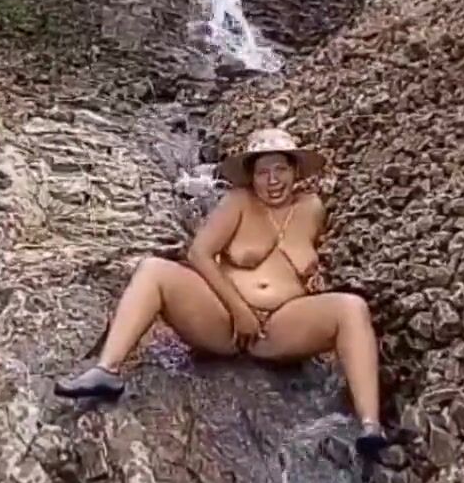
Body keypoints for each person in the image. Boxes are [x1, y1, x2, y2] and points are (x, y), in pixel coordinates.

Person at [54, 127, 387, 460]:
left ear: (295, 171)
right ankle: (107, 370)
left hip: (280, 328)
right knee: (152, 269)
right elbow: (199, 253)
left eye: (281, 169)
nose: (273, 181)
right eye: (263, 172)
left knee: (352, 307)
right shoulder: (238, 202)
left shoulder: (312, 208)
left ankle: (370, 425)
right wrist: (239, 309)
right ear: (251, 177)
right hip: (225, 322)